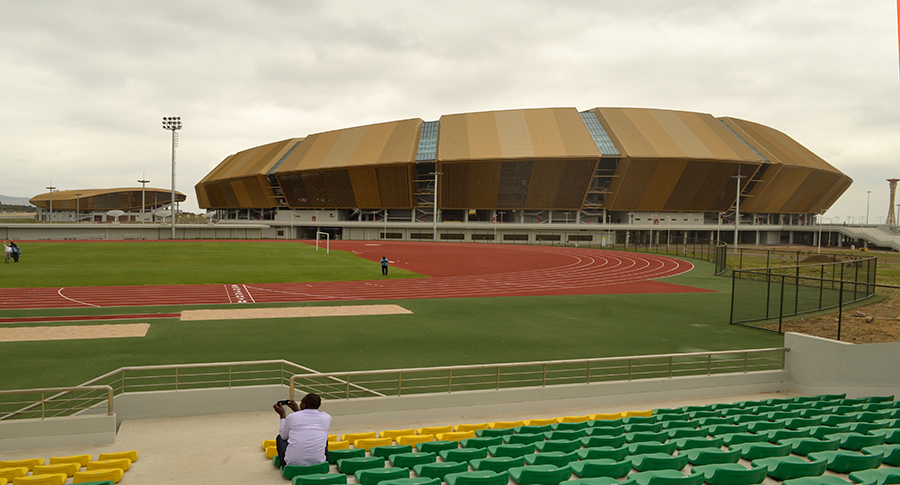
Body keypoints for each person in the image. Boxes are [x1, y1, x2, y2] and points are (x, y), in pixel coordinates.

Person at [274, 393, 331, 468]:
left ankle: (284, 465)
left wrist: (282, 416)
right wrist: (297, 411)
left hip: (294, 464)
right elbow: (308, 422)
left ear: (303, 405)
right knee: (322, 436)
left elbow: (284, 436)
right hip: (318, 462)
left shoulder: (292, 417)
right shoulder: (327, 417)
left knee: (280, 438)